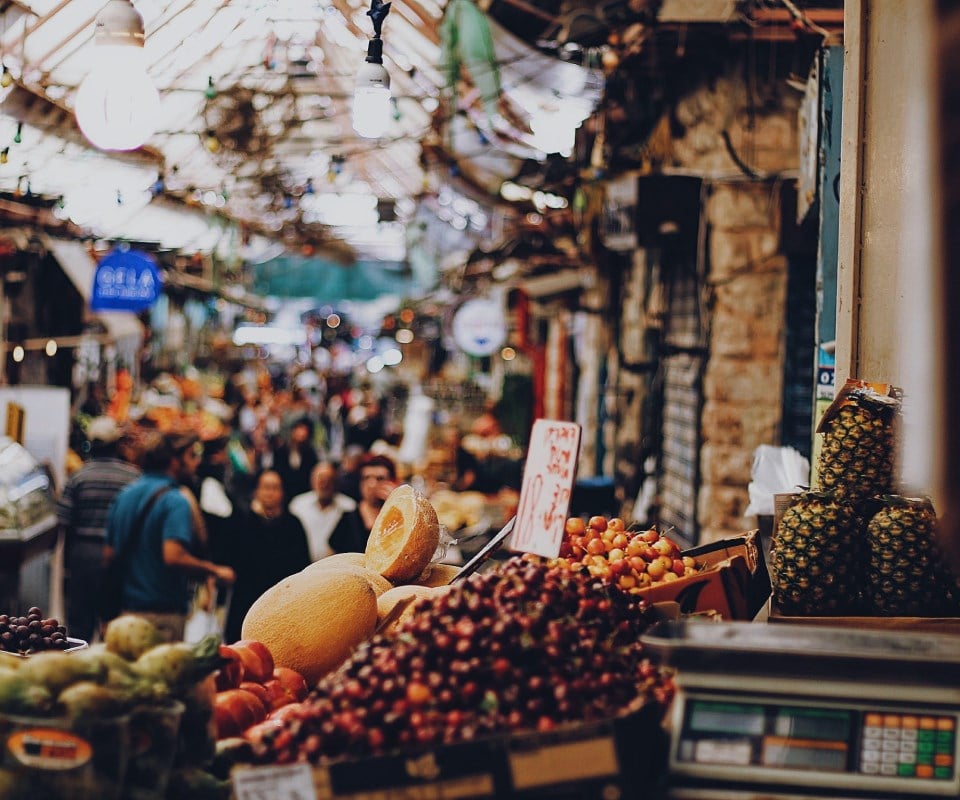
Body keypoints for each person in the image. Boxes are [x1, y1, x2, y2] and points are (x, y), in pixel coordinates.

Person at [104, 431, 235, 642]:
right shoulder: (175, 500)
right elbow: (174, 556)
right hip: (162, 617)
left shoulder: (124, 495)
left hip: (126, 615)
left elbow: (108, 555)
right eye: (192, 456)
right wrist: (214, 570)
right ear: (175, 461)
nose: (197, 463)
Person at [56, 417, 141, 642]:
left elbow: (63, 522)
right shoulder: (132, 477)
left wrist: (64, 564)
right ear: (117, 445)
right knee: (115, 623)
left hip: (83, 556)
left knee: (79, 623)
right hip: (121, 557)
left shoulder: (78, 477)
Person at [222, 470, 311, 642]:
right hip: (245, 601)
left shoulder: (293, 524)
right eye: (266, 488)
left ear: (283, 493)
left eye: (275, 488)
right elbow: (228, 557)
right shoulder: (241, 520)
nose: (270, 493)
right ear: (256, 491)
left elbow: (302, 565)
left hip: (281, 603)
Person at [329, 454, 398, 554]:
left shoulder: (396, 517)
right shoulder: (348, 517)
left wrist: (397, 502)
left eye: (380, 478)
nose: (372, 484)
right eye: (366, 478)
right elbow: (331, 555)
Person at [289, 462, 357, 562]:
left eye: (329, 480)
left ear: (336, 482)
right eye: (320, 479)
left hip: (337, 568)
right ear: (312, 481)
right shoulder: (297, 505)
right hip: (301, 567)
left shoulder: (349, 507)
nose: (324, 484)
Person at [272, 417, 319, 501]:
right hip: (285, 493)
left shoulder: (311, 453)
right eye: (299, 429)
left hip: (304, 494)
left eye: (304, 430)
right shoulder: (281, 451)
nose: (301, 433)